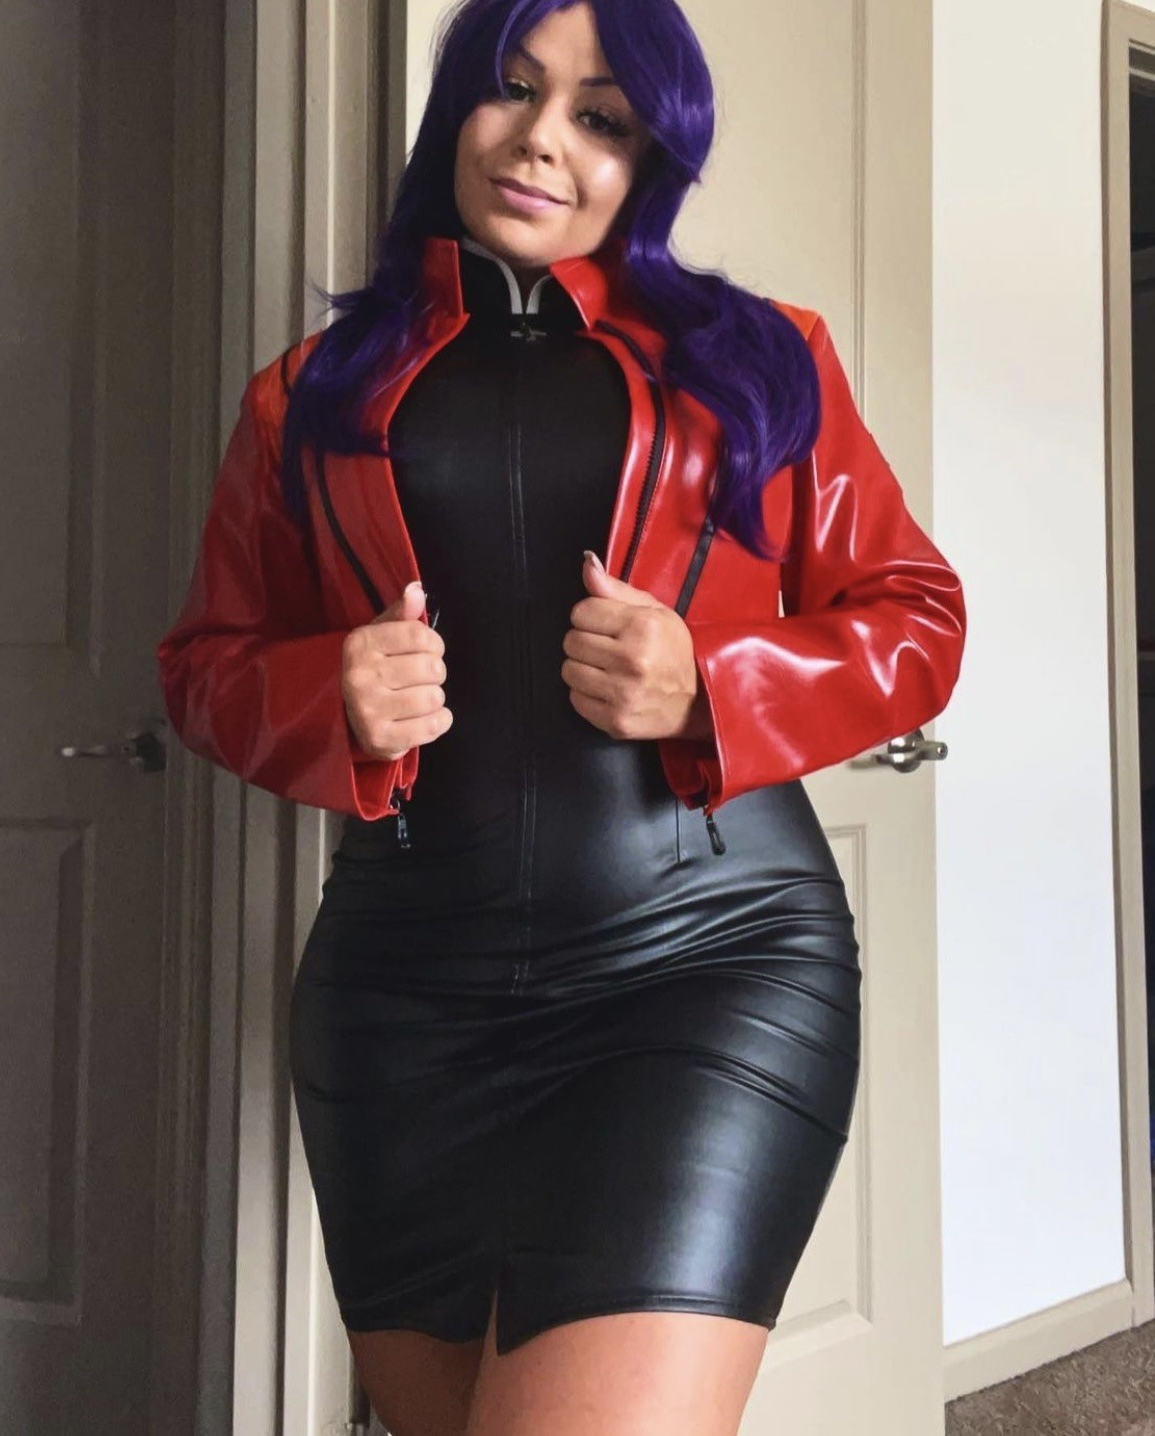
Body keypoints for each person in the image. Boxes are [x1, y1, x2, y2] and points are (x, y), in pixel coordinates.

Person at [156, 0, 967, 1431]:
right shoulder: (305, 398)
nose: (541, 140)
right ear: (453, 113)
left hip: (707, 963)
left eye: (598, 117)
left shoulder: (762, 360)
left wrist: (716, 682)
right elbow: (203, 666)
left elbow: (915, 618)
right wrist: (325, 692)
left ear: (649, 158)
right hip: (401, 991)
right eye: (511, 89)